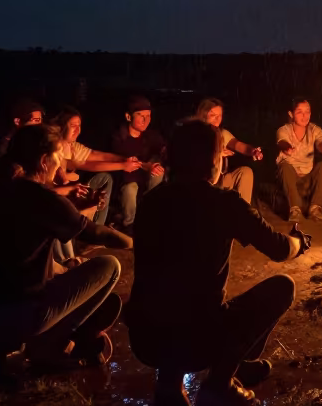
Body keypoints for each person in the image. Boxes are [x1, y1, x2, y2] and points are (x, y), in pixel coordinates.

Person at [127, 119, 310, 406]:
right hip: (195, 341)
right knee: (282, 287)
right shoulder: (224, 203)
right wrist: (298, 243)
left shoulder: (151, 201)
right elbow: (278, 248)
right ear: (213, 161)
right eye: (221, 154)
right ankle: (220, 382)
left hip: (145, 337)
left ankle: (169, 387)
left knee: (173, 297)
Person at [0, 124, 132, 370]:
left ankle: (5, 345)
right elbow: (103, 236)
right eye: (58, 155)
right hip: (13, 316)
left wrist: (81, 209)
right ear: (43, 160)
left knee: (59, 271)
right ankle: (50, 343)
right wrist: (139, 241)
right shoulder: (40, 197)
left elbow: (35, 227)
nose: (61, 161)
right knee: (109, 266)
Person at [110, 95, 166, 234]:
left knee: (159, 169)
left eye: (148, 115)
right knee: (131, 188)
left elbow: (163, 150)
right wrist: (146, 166)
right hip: (125, 185)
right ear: (128, 117)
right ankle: (130, 224)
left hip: (145, 186)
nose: (145, 120)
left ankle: (150, 215)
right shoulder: (119, 137)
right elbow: (125, 161)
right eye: (140, 115)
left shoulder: (151, 136)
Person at [275, 98, 322, 221]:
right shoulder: (283, 130)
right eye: (299, 112)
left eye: (307, 111)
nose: (304, 116)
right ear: (291, 114)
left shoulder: (314, 130)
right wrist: (287, 147)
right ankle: (295, 209)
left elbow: (321, 142)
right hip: (290, 180)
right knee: (284, 166)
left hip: (307, 180)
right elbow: (282, 141)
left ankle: (315, 207)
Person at [195, 98, 264, 204]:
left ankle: (244, 212)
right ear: (203, 114)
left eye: (220, 115)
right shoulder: (194, 132)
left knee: (245, 172)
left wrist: (253, 151)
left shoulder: (221, 133)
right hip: (201, 183)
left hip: (220, 180)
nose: (217, 119)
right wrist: (218, 154)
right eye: (213, 115)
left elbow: (238, 145)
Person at [0, 98, 44, 163]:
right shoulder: (4, 148)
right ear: (17, 121)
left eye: (41, 120)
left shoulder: (34, 141)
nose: (40, 124)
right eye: (36, 120)